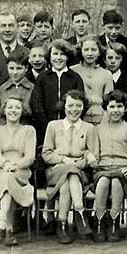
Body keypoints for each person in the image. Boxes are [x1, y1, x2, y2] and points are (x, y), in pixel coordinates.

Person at [87, 90, 127, 242]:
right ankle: (99, 220)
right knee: (105, 181)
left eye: (119, 107)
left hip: (122, 171)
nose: (115, 111)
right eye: (112, 107)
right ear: (106, 108)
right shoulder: (97, 129)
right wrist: (91, 157)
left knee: (115, 182)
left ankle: (114, 221)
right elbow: (93, 152)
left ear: (125, 108)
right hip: (103, 170)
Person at [0, 96, 36, 246]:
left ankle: (1, 225)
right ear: (4, 110)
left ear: (23, 111)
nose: (13, 111)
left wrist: (16, 165)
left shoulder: (29, 130)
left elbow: (30, 157)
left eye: (17, 108)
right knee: (7, 180)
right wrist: (5, 164)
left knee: (9, 179)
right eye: (10, 107)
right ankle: (8, 230)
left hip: (21, 171)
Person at [42, 90, 96, 244]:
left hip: (79, 173)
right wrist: (65, 160)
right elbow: (46, 154)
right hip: (56, 170)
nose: (74, 109)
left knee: (69, 179)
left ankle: (62, 224)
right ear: (64, 107)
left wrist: (78, 164)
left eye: (78, 105)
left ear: (83, 107)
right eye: (70, 105)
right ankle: (80, 211)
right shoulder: (53, 126)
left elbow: (93, 155)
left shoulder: (89, 128)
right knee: (70, 172)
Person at [31, 39, 85, 142]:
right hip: (45, 130)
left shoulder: (75, 78)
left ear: (67, 56)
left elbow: (81, 104)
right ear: (49, 57)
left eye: (62, 54)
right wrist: (47, 127)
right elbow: (37, 105)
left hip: (70, 129)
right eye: (55, 54)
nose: (58, 58)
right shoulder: (43, 77)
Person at [71, 35, 114, 125]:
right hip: (78, 118)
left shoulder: (106, 74)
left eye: (93, 50)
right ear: (81, 51)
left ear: (99, 52)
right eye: (86, 50)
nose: (90, 53)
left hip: (101, 119)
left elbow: (108, 102)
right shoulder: (73, 71)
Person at [0, 13, 30, 85]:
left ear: (17, 27)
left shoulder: (27, 53)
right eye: (3, 26)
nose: (7, 29)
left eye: (11, 25)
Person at [0, 50, 34, 125]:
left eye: (19, 68)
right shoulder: (2, 88)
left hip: (25, 129)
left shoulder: (32, 88)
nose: (14, 72)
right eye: (11, 68)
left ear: (26, 68)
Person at [105, 42, 127, 117]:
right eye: (110, 58)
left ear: (122, 59)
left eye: (117, 58)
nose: (113, 61)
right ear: (104, 59)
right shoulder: (102, 76)